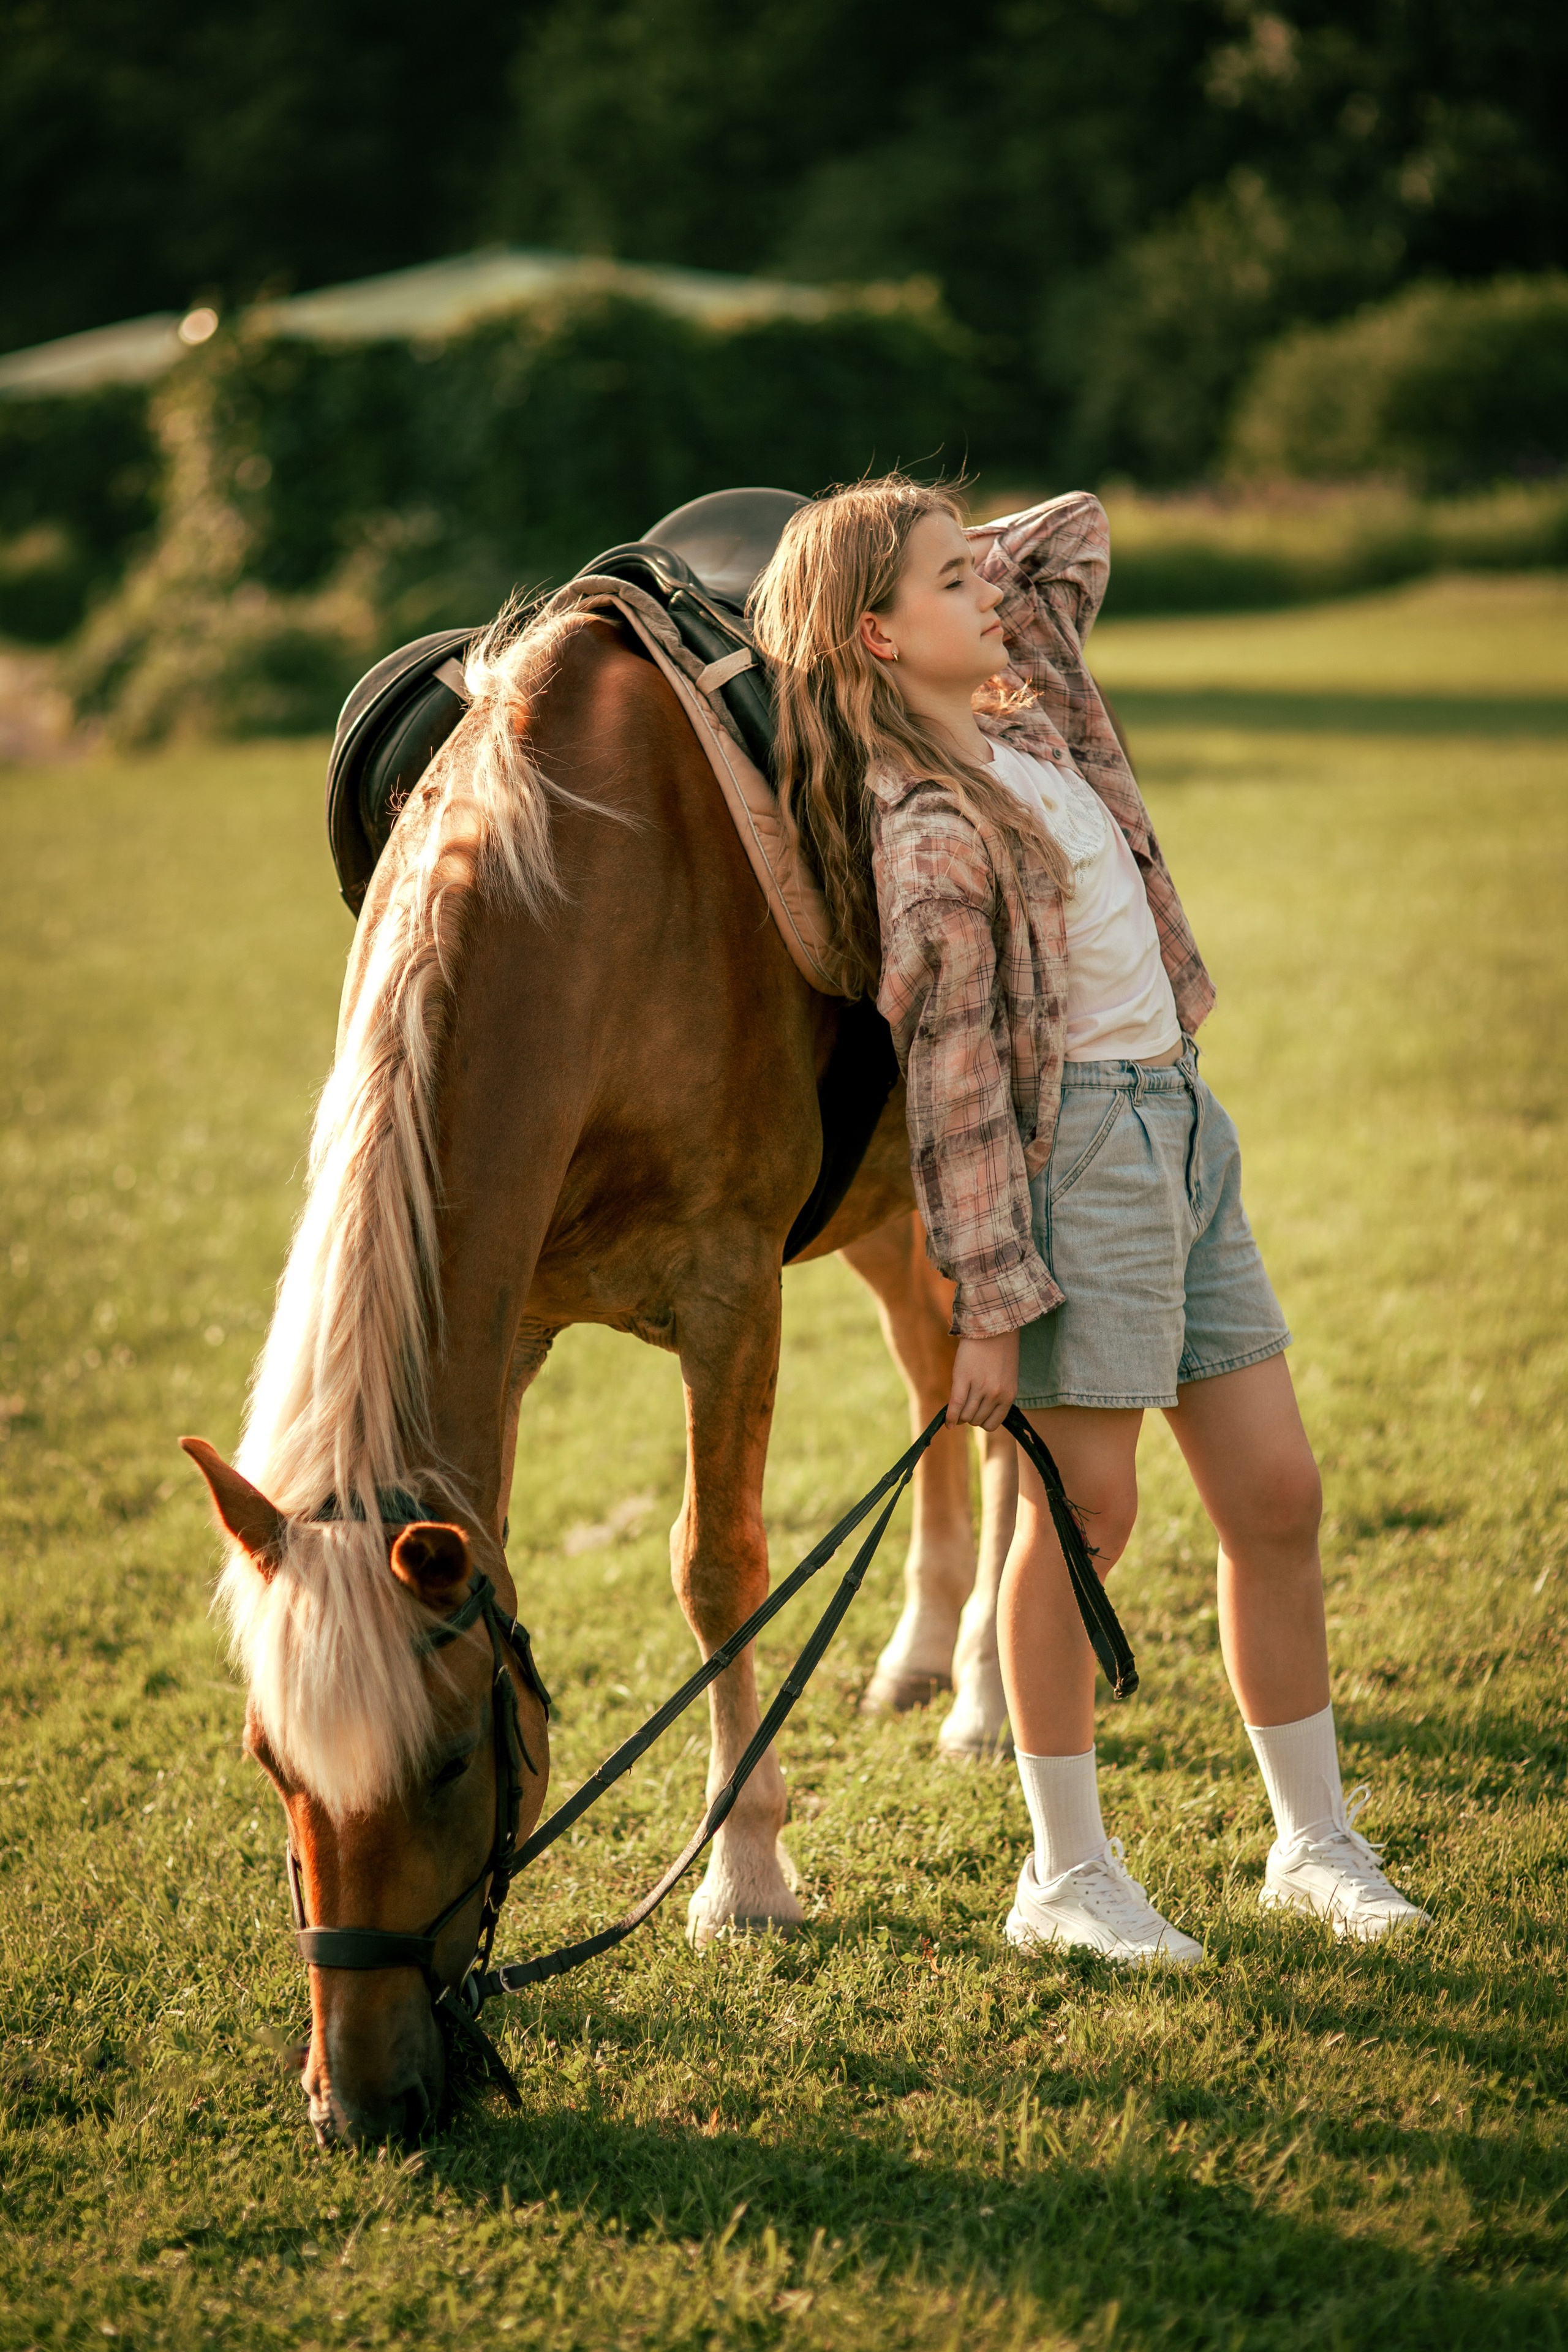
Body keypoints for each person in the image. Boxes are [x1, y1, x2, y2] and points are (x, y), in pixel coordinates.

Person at [750, 478, 1428, 1964]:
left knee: (1275, 1498)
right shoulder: (925, 832)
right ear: (873, 635)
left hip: (1184, 1128)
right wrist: (982, 1301)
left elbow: (1070, 533)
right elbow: (956, 1088)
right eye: (943, 584)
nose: (986, 591)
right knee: (1087, 1520)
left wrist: (936, 565)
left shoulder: (1023, 714)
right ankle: (1063, 1877)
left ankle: (1312, 1844)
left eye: (968, 573)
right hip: (1080, 1162)